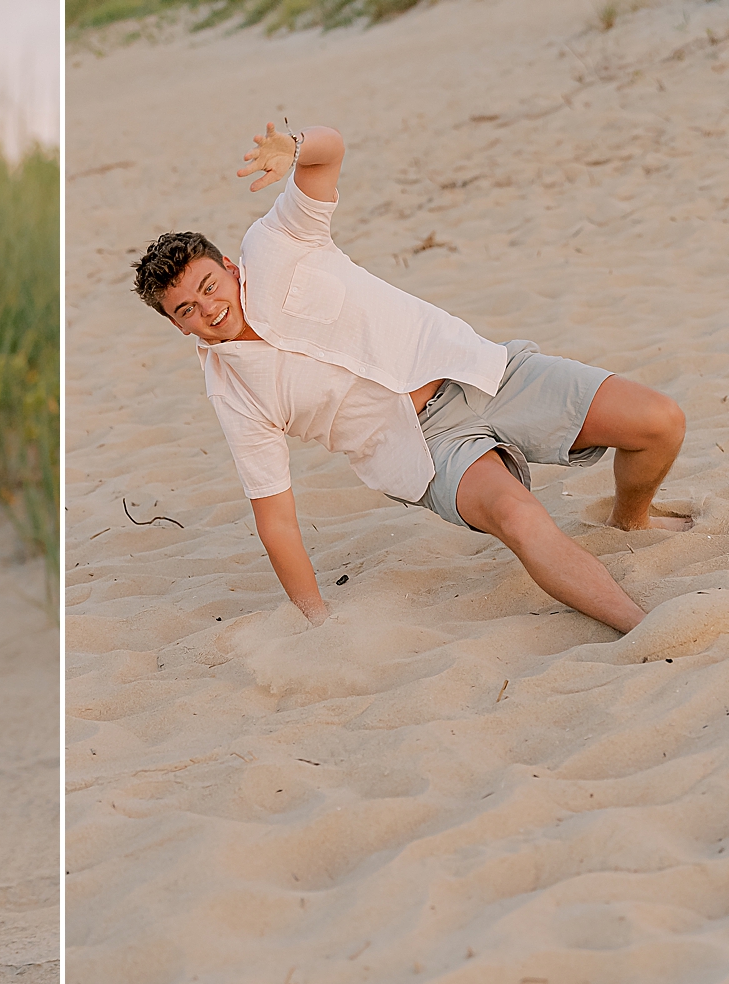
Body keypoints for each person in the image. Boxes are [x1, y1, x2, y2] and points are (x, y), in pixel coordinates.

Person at [130, 121, 689, 635]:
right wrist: (318, 622)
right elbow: (275, 517)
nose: (207, 309)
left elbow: (329, 156)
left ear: (228, 269)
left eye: (208, 287)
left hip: (477, 369)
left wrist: (297, 147)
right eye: (185, 310)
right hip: (423, 445)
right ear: (178, 326)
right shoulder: (234, 394)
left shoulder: (276, 244)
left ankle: (629, 521)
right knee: (520, 516)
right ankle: (644, 626)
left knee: (660, 422)